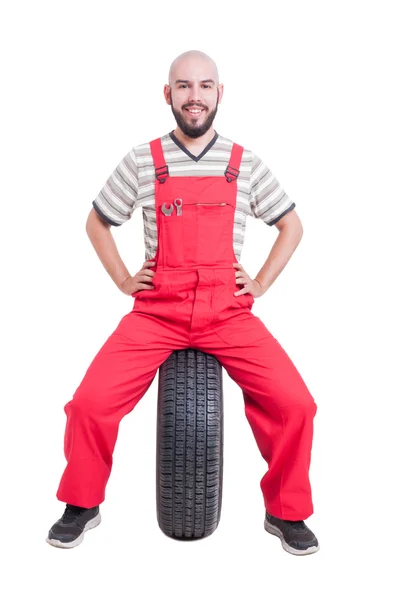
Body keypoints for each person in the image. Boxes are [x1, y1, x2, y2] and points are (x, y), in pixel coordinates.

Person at [46, 50, 319, 555]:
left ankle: (285, 511)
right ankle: (82, 504)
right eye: (185, 86)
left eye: (206, 86)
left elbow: (292, 226)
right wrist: (125, 279)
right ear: (168, 94)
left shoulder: (244, 163)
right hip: (157, 312)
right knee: (89, 404)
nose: (195, 96)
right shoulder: (142, 160)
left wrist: (258, 283)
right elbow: (97, 222)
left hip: (227, 312)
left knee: (296, 405)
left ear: (220, 94)